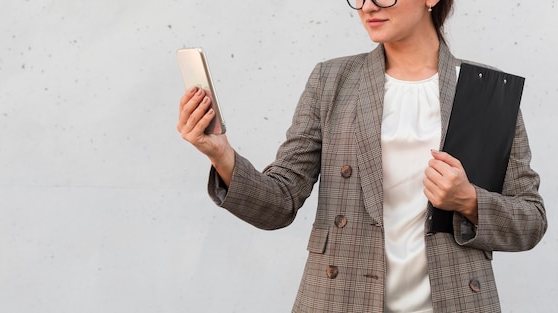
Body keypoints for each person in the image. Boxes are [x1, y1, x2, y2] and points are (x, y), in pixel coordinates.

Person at [177, 0, 547, 312]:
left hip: (453, 300)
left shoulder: (485, 92)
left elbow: (531, 220)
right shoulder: (332, 80)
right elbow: (280, 203)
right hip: (341, 298)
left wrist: (469, 200)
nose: (368, 6)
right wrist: (220, 154)